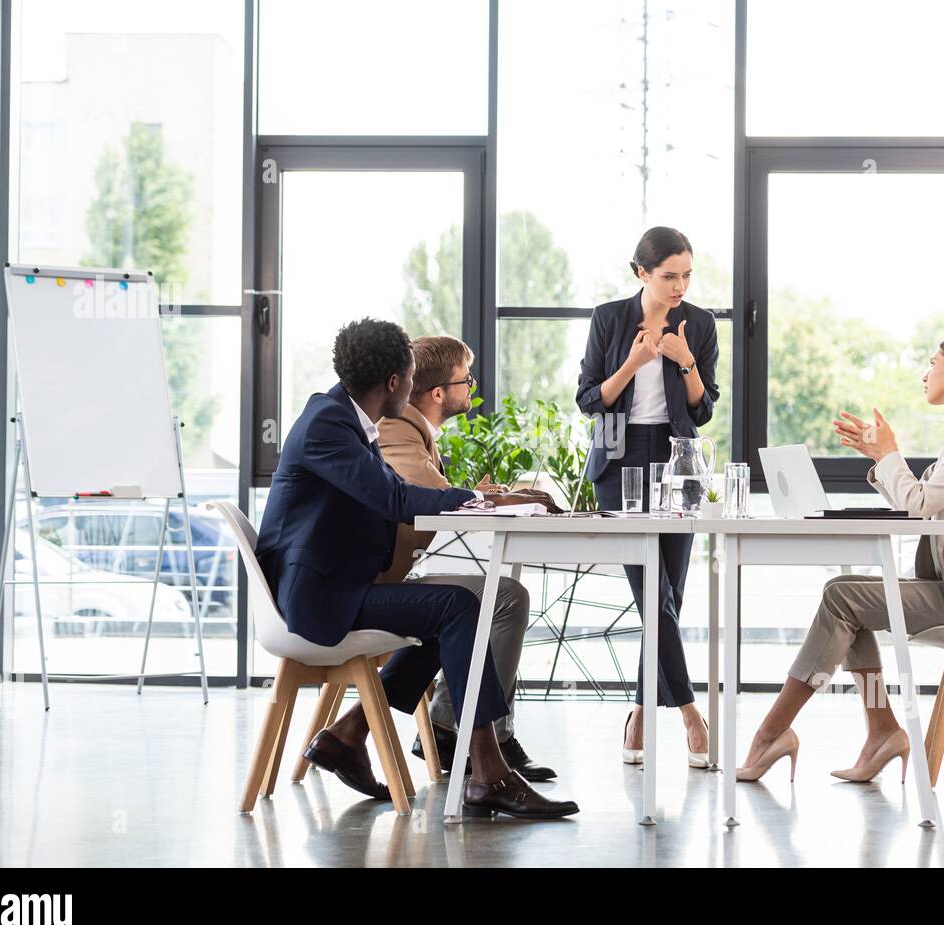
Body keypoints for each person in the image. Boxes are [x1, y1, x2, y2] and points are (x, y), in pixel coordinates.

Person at [254, 318, 577, 819]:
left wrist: (481, 500)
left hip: (333, 588)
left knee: (445, 616)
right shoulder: (329, 425)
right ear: (394, 383)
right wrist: (479, 500)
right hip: (316, 602)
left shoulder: (343, 418)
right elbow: (393, 498)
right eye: (409, 376)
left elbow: (388, 496)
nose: (413, 385)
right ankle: (489, 773)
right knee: (458, 607)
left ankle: (348, 735)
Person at [736, 334, 944, 784]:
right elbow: (921, 499)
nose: (925, 373)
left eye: (932, 362)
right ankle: (879, 732)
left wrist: (889, 452)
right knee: (845, 597)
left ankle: (773, 734)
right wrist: (880, 457)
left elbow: (918, 504)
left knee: (843, 597)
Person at [375, 333, 556, 782]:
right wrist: (507, 499)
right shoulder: (395, 431)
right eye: (466, 380)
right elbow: (435, 500)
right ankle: (474, 733)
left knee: (493, 596)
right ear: (438, 393)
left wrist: (495, 497)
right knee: (502, 598)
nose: (471, 389)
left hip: (393, 578)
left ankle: (453, 726)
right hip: (378, 586)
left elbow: (441, 496)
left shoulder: (417, 434)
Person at [575, 226, 720, 767]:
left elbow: (703, 410)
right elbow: (590, 399)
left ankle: (639, 707)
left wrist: (684, 361)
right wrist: (633, 365)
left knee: (668, 596)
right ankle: (688, 712)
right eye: (668, 276)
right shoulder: (609, 319)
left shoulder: (699, 324)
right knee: (651, 593)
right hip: (619, 462)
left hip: (677, 459)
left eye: (687, 275)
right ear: (642, 273)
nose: (679, 285)